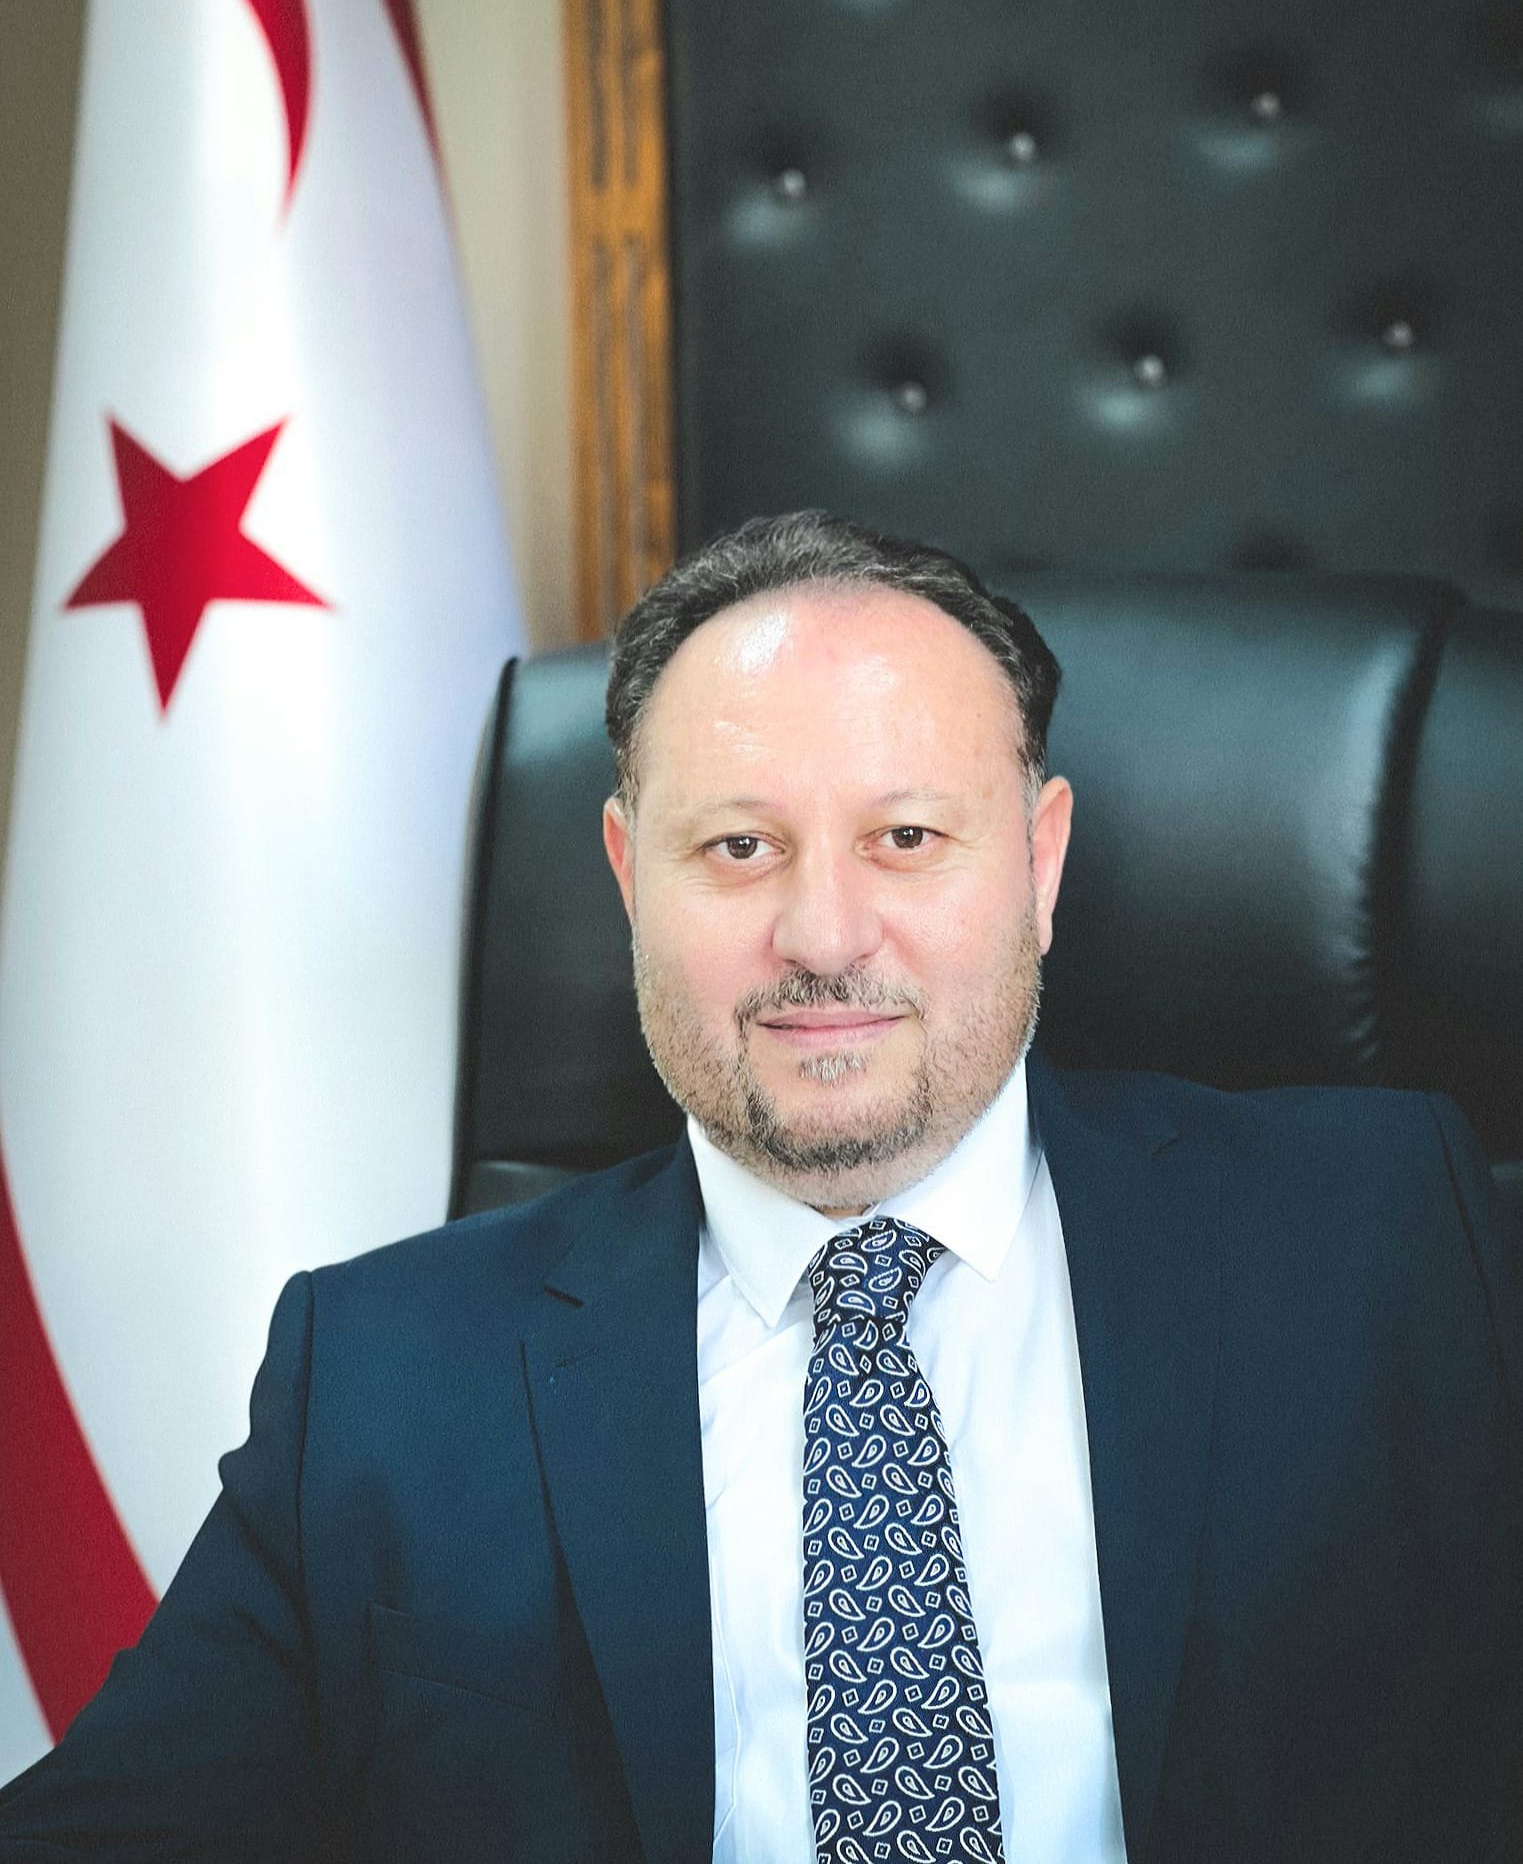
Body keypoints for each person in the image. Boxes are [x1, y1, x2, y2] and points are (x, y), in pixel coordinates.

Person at [0, 511, 1518, 1863]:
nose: (823, 933)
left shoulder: (1382, 1240)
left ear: (1040, 863)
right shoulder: (383, 1373)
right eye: (738, 846)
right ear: (626, 876)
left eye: (907, 837)